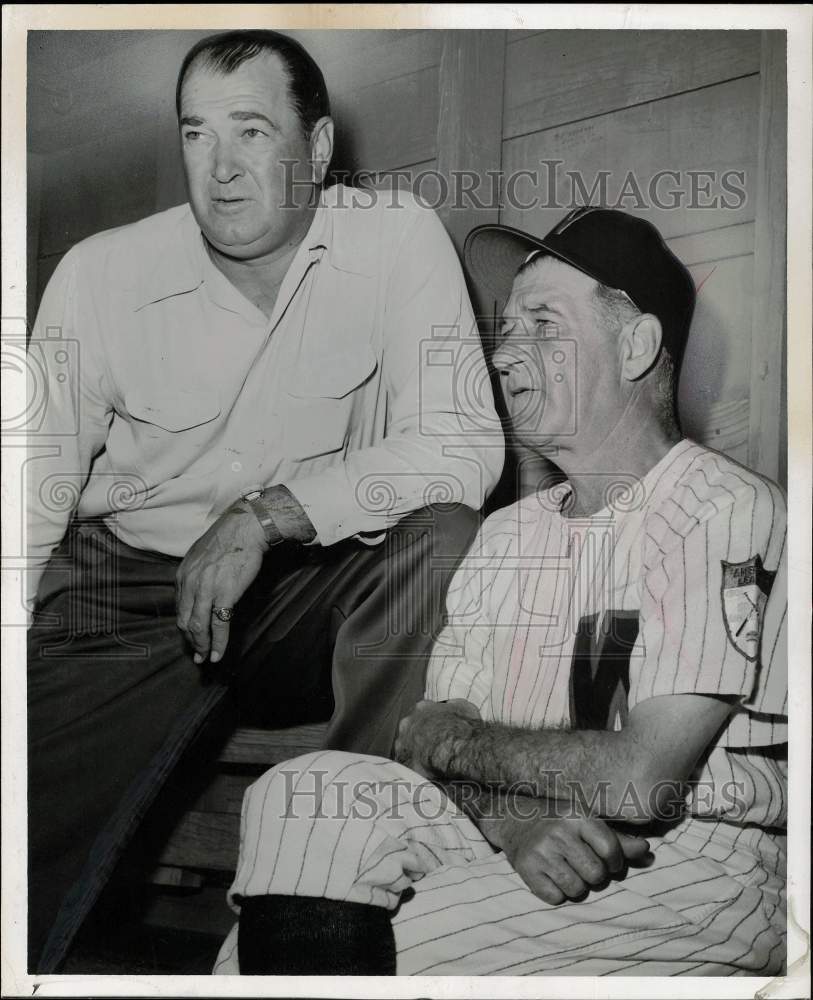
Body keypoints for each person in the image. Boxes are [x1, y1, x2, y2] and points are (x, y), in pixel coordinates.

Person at [26, 30, 503, 972]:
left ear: (319, 150)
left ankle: (330, 909)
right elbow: (25, 493)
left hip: (306, 589)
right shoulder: (99, 272)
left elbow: (462, 446)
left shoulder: (396, 237)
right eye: (196, 135)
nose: (222, 167)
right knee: (20, 821)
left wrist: (268, 513)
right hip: (125, 594)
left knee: (444, 541)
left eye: (251, 130)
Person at [213, 206, 788, 977]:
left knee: (384, 953)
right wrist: (511, 816)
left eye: (542, 325)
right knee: (301, 794)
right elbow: (424, 736)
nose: (506, 356)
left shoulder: (716, 506)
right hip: (516, 829)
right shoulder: (508, 532)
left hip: (688, 863)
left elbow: (641, 779)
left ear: (636, 345)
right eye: (506, 329)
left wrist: (458, 747)